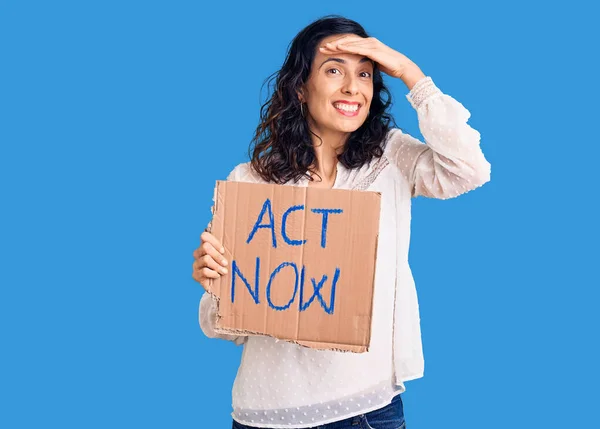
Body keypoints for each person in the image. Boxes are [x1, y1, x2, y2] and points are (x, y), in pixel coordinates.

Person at [192, 15, 491, 429]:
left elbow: (468, 169)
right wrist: (215, 283)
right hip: (262, 413)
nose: (353, 87)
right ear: (301, 87)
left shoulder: (391, 158)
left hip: (364, 411)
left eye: (365, 74)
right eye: (334, 70)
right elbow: (222, 327)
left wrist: (408, 72)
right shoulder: (250, 181)